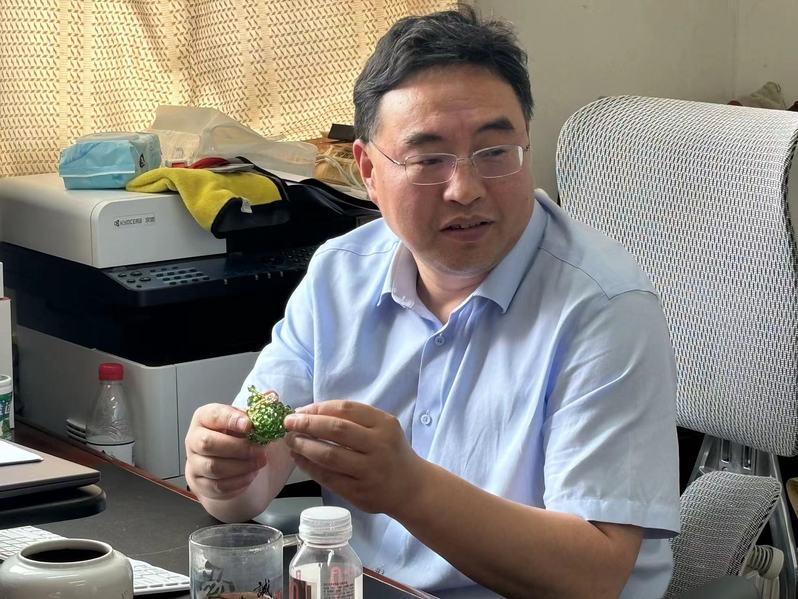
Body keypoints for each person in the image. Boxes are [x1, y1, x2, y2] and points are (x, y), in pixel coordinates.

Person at [184, 7, 680, 598]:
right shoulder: (340, 273)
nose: (465, 189)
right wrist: (222, 473)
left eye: (495, 152)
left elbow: (592, 577)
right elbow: (251, 482)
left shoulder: (604, 307)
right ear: (368, 171)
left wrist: (409, 489)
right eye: (428, 160)